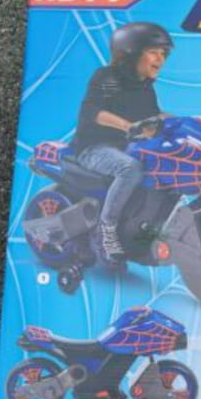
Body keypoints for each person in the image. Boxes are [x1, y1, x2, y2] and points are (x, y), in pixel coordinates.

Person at [71, 22, 173, 265]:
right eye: (153, 52)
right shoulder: (108, 78)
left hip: (127, 148)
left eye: (163, 53)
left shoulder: (145, 87)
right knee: (130, 168)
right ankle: (106, 231)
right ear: (131, 53)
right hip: (94, 148)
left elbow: (155, 115)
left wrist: (191, 123)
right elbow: (93, 111)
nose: (160, 59)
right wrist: (128, 126)